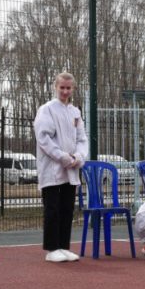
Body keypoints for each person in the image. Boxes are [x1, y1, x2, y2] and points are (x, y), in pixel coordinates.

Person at [34, 72, 89, 263]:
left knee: (67, 208)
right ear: (55, 87)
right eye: (62, 88)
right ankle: (51, 248)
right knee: (53, 208)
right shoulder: (47, 109)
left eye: (68, 88)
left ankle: (64, 246)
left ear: (73, 89)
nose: (65, 91)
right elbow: (44, 138)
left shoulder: (75, 112)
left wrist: (78, 156)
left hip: (71, 168)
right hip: (52, 168)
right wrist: (62, 157)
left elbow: (82, 138)